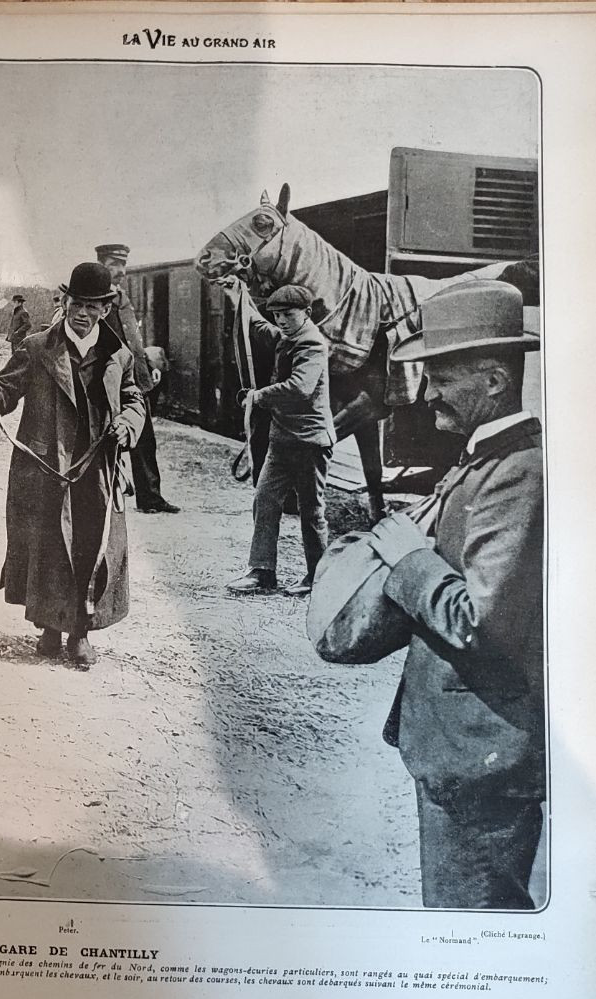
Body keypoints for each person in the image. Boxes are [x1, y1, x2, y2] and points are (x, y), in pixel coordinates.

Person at [364, 279, 544, 910]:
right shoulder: (486, 460)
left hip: (480, 756)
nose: (428, 394)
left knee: (473, 925)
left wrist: (411, 561)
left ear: (494, 380)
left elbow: (483, 625)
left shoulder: (518, 473)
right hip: (461, 750)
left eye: (440, 376)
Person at [0, 261, 146, 669]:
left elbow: (136, 399)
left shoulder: (117, 355)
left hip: (98, 468)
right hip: (46, 466)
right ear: (65, 303)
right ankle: (50, 628)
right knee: (49, 548)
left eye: (93, 306)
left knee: (88, 546)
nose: (83, 313)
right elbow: (5, 390)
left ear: (105, 308)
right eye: (77, 304)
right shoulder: (35, 348)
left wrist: (127, 422)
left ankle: (80, 631)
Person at [223, 283, 334, 595]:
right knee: (265, 501)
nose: (281, 321)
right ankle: (261, 572)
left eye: (287, 314)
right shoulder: (289, 335)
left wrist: (258, 397)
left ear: (307, 313)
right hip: (283, 439)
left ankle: (318, 577)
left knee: (311, 511)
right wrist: (238, 295)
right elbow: (260, 326)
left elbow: (300, 387)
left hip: (310, 441)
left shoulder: (311, 344)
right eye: (277, 315)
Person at [97, 243, 180, 514]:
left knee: (145, 441)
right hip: (107, 381)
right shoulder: (96, 297)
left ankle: (150, 499)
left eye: (122, 265)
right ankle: (102, 499)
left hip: (135, 379)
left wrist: (148, 365)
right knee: (105, 441)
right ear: (101, 264)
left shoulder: (123, 297)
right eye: (114, 265)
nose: (120, 271)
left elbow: (134, 340)